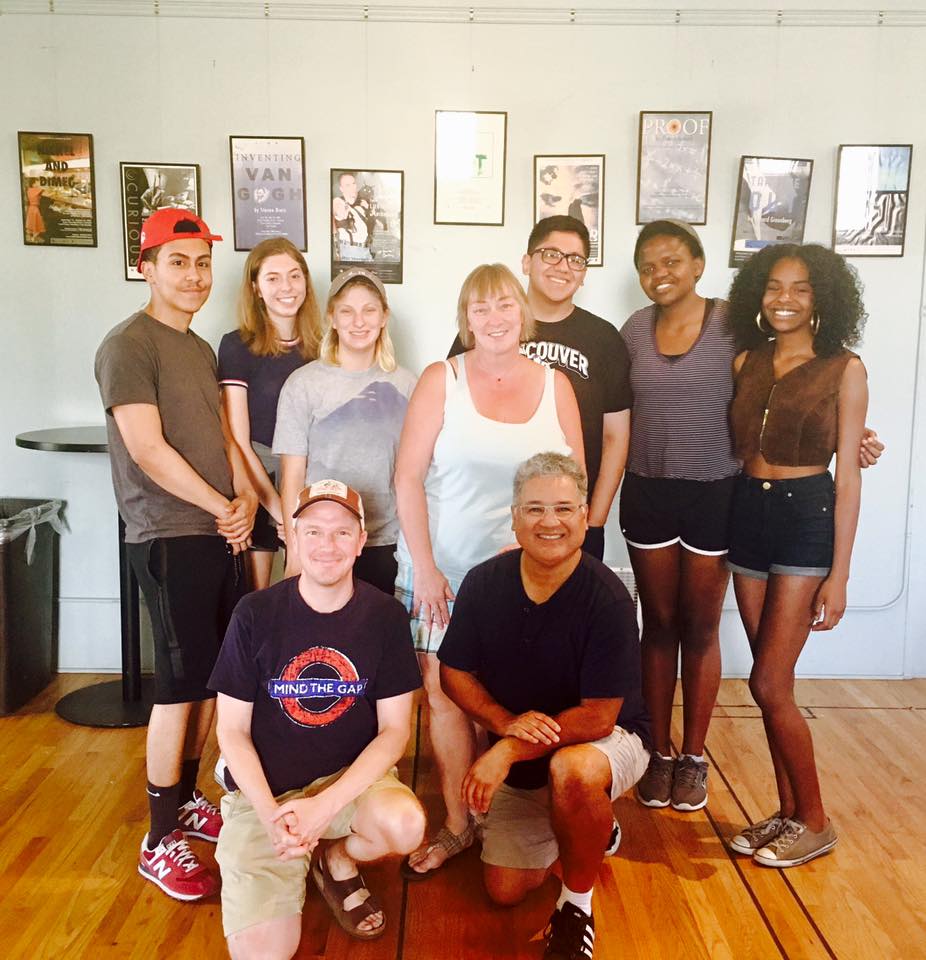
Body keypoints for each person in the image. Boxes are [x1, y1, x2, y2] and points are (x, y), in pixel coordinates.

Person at [621, 221, 884, 815]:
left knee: (725, 647)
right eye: (648, 265)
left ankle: (705, 765)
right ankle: (666, 757)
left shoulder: (745, 333)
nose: (661, 273)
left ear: (699, 264)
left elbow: (803, 400)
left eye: (673, 260)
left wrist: (854, 438)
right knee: (666, 629)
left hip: (735, 497)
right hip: (686, 498)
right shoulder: (659, 335)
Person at [396, 263, 583, 878]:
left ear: (522, 312)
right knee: (445, 696)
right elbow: (407, 478)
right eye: (480, 309)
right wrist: (423, 567)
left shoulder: (557, 385)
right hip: (444, 571)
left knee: (515, 697)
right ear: (465, 319)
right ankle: (457, 823)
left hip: (531, 581)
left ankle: (509, 809)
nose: (495, 318)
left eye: (504, 305)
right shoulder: (439, 380)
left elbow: (572, 487)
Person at [94, 207, 258, 901]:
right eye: (178, 262)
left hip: (217, 533)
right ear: (147, 266)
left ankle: (186, 799)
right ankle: (159, 838)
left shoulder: (195, 347)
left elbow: (222, 441)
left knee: (213, 683)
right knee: (179, 687)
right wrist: (219, 506)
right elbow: (148, 449)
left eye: (200, 262)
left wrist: (245, 498)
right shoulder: (128, 345)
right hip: (167, 533)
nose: (193, 276)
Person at [439, 452, 651, 960]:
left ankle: (577, 905)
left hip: (606, 738)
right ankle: (590, 824)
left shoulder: (609, 598)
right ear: (514, 517)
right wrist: (502, 722)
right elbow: (454, 673)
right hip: (527, 742)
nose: (549, 521)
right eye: (534, 509)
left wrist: (506, 749)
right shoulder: (483, 583)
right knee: (505, 889)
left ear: (583, 516)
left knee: (573, 771)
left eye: (563, 508)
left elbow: (600, 715)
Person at [210, 480, 425, 957]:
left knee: (405, 825)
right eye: (313, 532)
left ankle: (336, 858)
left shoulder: (385, 616)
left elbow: (395, 732)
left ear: (361, 540)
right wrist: (272, 817)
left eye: (341, 533)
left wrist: (324, 808)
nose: (327, 546)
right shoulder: (254, 613)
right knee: (264, 953)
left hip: (349, 783)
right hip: (267, 796)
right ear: (292, 534)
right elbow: (231, 731)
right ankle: (286, 856)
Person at [723, 244, 867, 868]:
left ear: (822, 299)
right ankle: (785, 814)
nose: (784, 297)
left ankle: (815, 818)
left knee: (768, 681)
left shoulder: (844, 368)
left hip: (807, 515)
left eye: (801, 288)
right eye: (774, 286)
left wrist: (839, 575)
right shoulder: (745, 360)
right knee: (766, 682)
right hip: (746, 515)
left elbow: (849, 478)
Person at [450, 216, 632, 561]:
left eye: (575, 259)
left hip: (567, 520)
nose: (562, 266)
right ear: (526, 262)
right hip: (483, 522)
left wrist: (592, 519)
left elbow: (616, 436)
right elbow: (452, 418)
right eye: (550, 254)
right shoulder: (490, 328)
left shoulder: (604, 339)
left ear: (583, 273)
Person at [274, 267, 415, 594]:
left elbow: (417, 473)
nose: (359, 321)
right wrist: (295, 553)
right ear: (332, 318)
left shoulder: (408, 385)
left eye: (369, 310)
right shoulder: (303, 384)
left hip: (386, 541)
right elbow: (292, 475)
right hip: (323, 543)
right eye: (347, 311)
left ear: (384, 317)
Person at [218, 237, 322, 590]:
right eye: (273, 278)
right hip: (257, 483)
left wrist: (301, 511)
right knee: (258, 597)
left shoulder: (323, 347)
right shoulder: (237, 346)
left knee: (312, 593)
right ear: (256, 288)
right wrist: (280, 509)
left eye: (294, 276)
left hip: (310, 484)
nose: (286, 287)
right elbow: (238, 438)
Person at [332, 172, 374, 262]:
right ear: (341, 189)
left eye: (353, 183)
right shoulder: (338, 201)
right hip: (351, 253)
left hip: (365, 252)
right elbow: (340, 212)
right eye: (348, 185)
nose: (352, 187)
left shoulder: (359, 206)